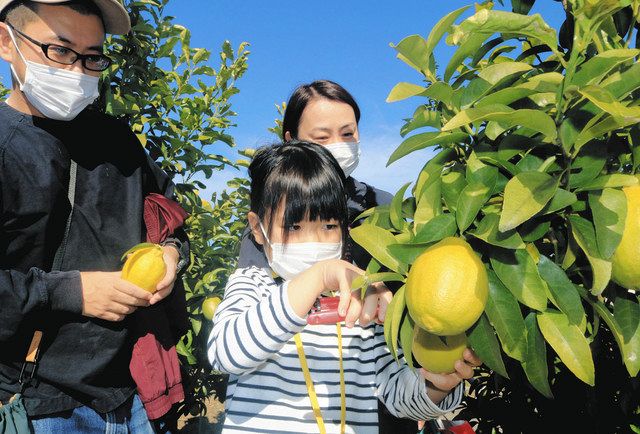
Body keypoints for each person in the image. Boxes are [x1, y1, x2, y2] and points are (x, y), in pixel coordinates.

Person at [0, 0, 188, 431]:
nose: (77, 71)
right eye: (60, 51)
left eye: (92, 57)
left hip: (136, 395)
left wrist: (173, 256)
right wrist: (72, 292)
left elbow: (169, 217)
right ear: (6, 43)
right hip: (42, 405)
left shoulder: (119, 144)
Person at [207, 142, 480, 433]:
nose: (315, 242)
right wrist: (319, 275)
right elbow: (225, 353)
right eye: (294, 227)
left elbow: (397, 397)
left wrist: (436, 384)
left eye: (328, 226)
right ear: (258, 229)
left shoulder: (359, 301)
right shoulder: (254, 285)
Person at [237, 79, 420, 432]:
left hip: (372, 385)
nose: (338, 146)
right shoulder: (267, 232)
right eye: (321, 138)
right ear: (291, 141)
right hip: (295, 389)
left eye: (348, 133)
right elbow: (242, 330)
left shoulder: (383, 207)